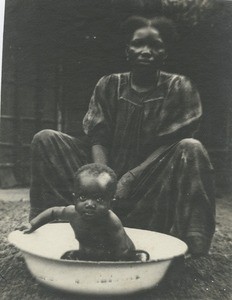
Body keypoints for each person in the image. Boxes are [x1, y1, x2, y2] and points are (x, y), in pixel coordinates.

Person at [29, 16, 215, 257]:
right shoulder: (108, 84)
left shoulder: (180, 87)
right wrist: (102, 182)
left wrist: (129, 178)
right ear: (127, 49)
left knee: (192, 147)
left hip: (150, 182)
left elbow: (173, 142)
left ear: (165, 52)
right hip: (104, 182)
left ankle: (191, 242)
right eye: (139, 44)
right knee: (45, 138)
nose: (146, 51)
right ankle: (52, 229)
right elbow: (98, 136)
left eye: (155, 45)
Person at [24, 163, 139, 261]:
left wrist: (119, 266)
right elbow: (53, 212)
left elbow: (123, 249)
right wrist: (32, 224)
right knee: (66, 257)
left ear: (110, 203)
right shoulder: (72, 213)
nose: (89, 204)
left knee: (139, 257)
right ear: (75, 199)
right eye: (83, 197)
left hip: (115, 258)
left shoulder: (111, 221)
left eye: (99, 199)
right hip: (87, 256)